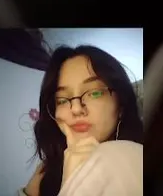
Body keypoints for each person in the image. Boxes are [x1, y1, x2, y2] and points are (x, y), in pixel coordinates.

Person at [22, 45, 146, 196]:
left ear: (121, 105)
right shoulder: (44, 173)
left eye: (94, 93)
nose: (76, 109)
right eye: (61, 100)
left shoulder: (137, 160)